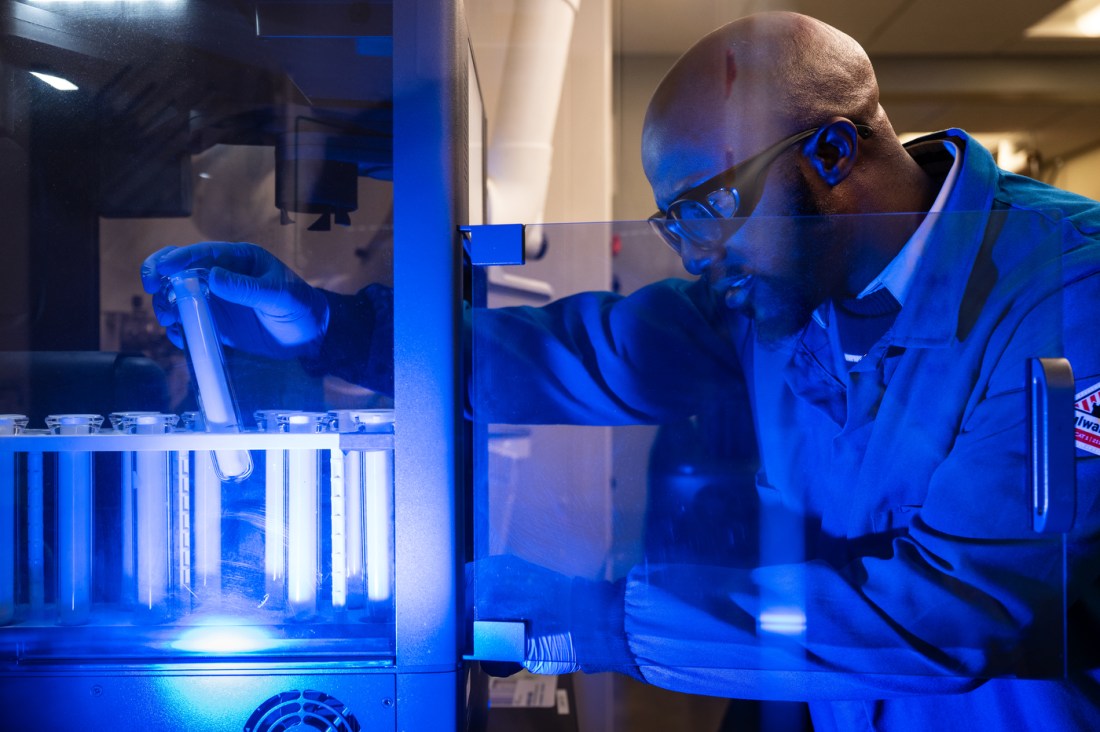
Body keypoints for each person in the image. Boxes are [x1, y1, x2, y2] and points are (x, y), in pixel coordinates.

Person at [143, 11, 1100, 730]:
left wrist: (594, 617)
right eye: (673, 225)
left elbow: (955, 615)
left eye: (707, 209)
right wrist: (327, 329)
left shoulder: (1068, 293)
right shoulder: (781, 291)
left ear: (834, 150)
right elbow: (583, 353)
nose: (693, 256)